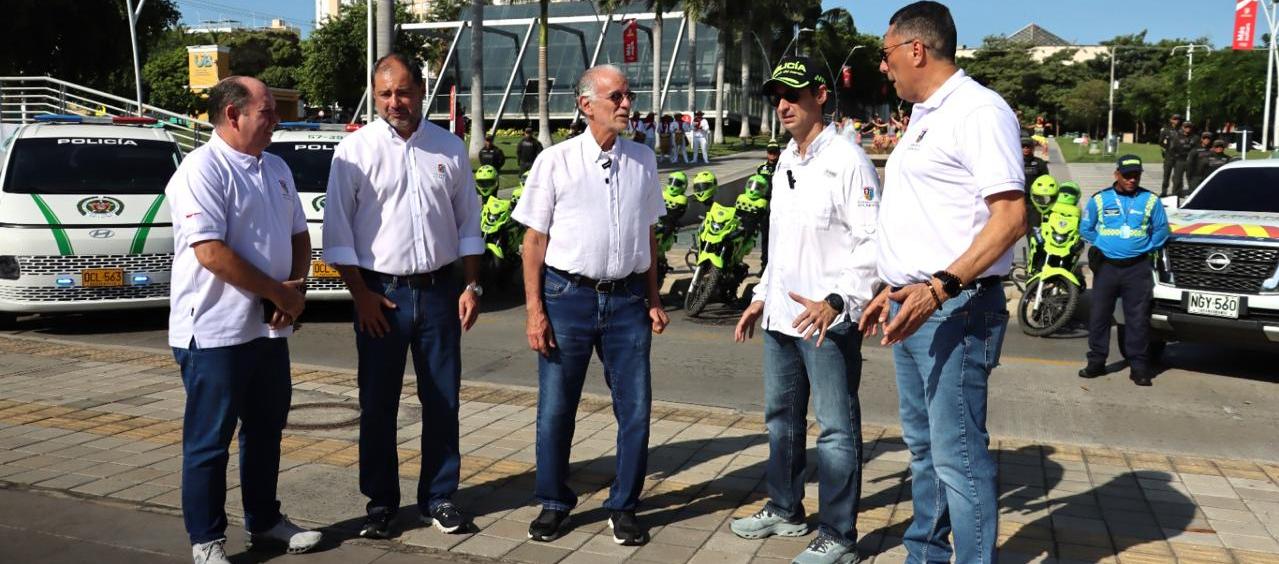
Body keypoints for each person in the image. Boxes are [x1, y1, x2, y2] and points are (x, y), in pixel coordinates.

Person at [859, 3, 1027, 562]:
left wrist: (939, 287)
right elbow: (931, 218)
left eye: (885, 55)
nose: (884, 68)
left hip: (955, 307)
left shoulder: (978, 111)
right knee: (925, 448)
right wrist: (894, 284)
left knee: (957, 453)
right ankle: (925, 552)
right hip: (912, 305)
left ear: (915, 50)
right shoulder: (926, 115)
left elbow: (1010, 218)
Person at [322, 53, 484, 540]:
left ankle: (439, 496)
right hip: (380, 296)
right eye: (385, 94)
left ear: (421, 90)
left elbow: (468, 223)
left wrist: (472, 284)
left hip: (438, 293)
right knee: (377, 403)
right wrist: (361, 296)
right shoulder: (355, 152)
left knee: (443, 401)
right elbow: (337, 232)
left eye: (404, 92)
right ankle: (381, 503)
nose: (395, 102)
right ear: (376, 96)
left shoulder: (449, 148)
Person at [512, 64, 669, 547]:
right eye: (616, 96)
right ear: (586, 105)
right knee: (558, 408)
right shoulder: (554, 161)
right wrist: (535, 310)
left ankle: (623, 505)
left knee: (636, 409)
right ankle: (555, 502)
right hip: (567, 297)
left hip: (627, 302)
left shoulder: (642, 159)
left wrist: (654, 297)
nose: (626, 104)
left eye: (628, 96)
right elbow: (533, 241)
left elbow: (648, 233)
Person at [731, 55, 880, 564]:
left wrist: (837, 301)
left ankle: (839, 535)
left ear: (821, 94)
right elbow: (782, 245)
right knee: (781, 420)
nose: (783, 105)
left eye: (793, 95)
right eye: (777, 97)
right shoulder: (788, 160)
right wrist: (758, 297)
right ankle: (786, 508)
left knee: (836, 430)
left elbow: (871, 242)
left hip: (828, 321)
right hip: (781, 315)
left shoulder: (848, 159)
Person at [166, 75, 321, 564]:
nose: (276, 120)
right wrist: (279, 293)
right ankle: (207, 539)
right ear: (233, 115)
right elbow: (211, 252)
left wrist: (292, 292)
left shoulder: (275, 167)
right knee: (211, 441)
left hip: (269, 329)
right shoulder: (200, 169)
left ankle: (265, 520)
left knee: (266, 430)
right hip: (214, 331)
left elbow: (299, 235)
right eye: (267, 111)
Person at [1079, 155, 1170, 387]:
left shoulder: (1150, 200)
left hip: (1137, 268)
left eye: (1136, 175)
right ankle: (1096, 362)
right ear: (1116, 174)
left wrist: (1148, 247)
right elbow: (1086, 227)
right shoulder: (1100, 199)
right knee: (1099, 316)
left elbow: (1161, 229)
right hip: (1107, 267)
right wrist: (1102, 244)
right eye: (1127, 175)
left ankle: (1139, 367)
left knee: (1137, 319)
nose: (1131, 179)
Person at [1167, 121, 1196, 196]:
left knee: (1191, 179)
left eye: (1189, 127)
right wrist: (1174, 159)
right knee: (1177, 179)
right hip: (1180, 160)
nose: (1188, 129)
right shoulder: (1177, 137)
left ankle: (1193, 194)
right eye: (1186, 127)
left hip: (1190, 161)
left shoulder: (1195, 137)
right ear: (1183, 127)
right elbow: (1172, 149)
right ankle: (1176, 194)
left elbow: (1197, 149)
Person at [1158, 114, 1184, 195]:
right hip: (1169, 156)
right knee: (1166, 175)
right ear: (1171, 120)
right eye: (1175, 119)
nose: (1177, 120)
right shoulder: (1166, 130)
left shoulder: (1182, 130)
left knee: (1178, 176)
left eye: (1178, 119)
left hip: (1179, 156)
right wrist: (1167, 148)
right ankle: (1164, 191)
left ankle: (1176, 192)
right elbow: (1160, 142)